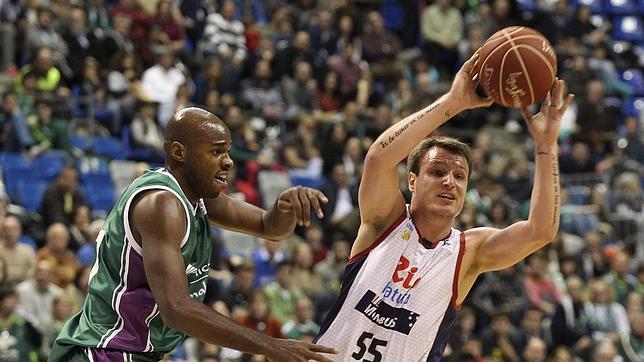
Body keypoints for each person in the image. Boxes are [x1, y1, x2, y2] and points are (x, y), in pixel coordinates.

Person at [314, 51, 574, 360]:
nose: (449, 182)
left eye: (460, 176)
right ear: (412, 181)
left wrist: (546, 147)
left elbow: (541, 231)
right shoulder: (386, 220)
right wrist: (453, 103)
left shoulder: (469, 251)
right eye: (437, 172)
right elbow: (378, 158)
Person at [49, 107, 337, 361]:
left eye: (227, 151)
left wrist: (285, 206)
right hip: (105, 351)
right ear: (179, 153)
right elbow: (177, 308)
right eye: (215, 152)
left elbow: (268, 227)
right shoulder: (163, 205)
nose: (228, 162)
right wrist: (269, 346)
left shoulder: (197, 196)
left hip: (132, 351)